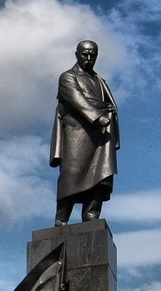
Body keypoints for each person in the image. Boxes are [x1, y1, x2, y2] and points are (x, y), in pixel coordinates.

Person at [50, 39, 119, 226]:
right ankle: (61, 218)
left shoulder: (99, 81)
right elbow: (76, 98)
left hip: (102, 135)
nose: (89, 58)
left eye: (93, 55)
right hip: (77, 132)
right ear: (77, 55)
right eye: (85, 54)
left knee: (100, 176)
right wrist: (98, 116)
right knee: (71, 174)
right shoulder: (67, 77)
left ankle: (91, 215)